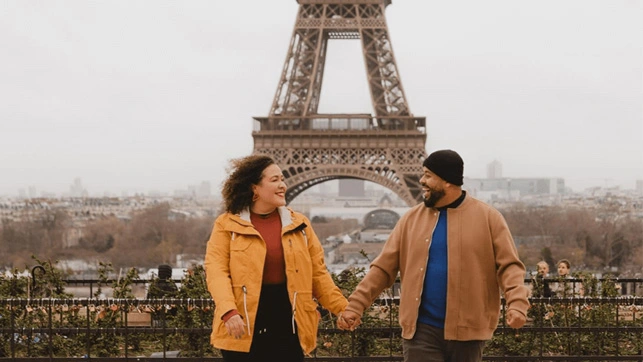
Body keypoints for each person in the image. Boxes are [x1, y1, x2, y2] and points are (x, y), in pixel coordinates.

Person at [338, 149, 530, 362]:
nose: (421, 180)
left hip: (468, 331)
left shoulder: (489, 218)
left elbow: (509, 267)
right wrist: (355, 306)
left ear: (448, 181)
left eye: (428, 175)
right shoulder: (410, 219)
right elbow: (383, 269)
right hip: (420, 330)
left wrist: (518, 304)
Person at [204, 155, 348, 362]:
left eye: (282, 179)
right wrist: (228, 311)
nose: (283, 185)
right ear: (254, 188)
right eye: (274, 180)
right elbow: (216, 271)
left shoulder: (301, 225)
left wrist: (342, 308)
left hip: (289, 320)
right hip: (243, 319)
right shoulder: (226, 225)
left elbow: (318, 274)